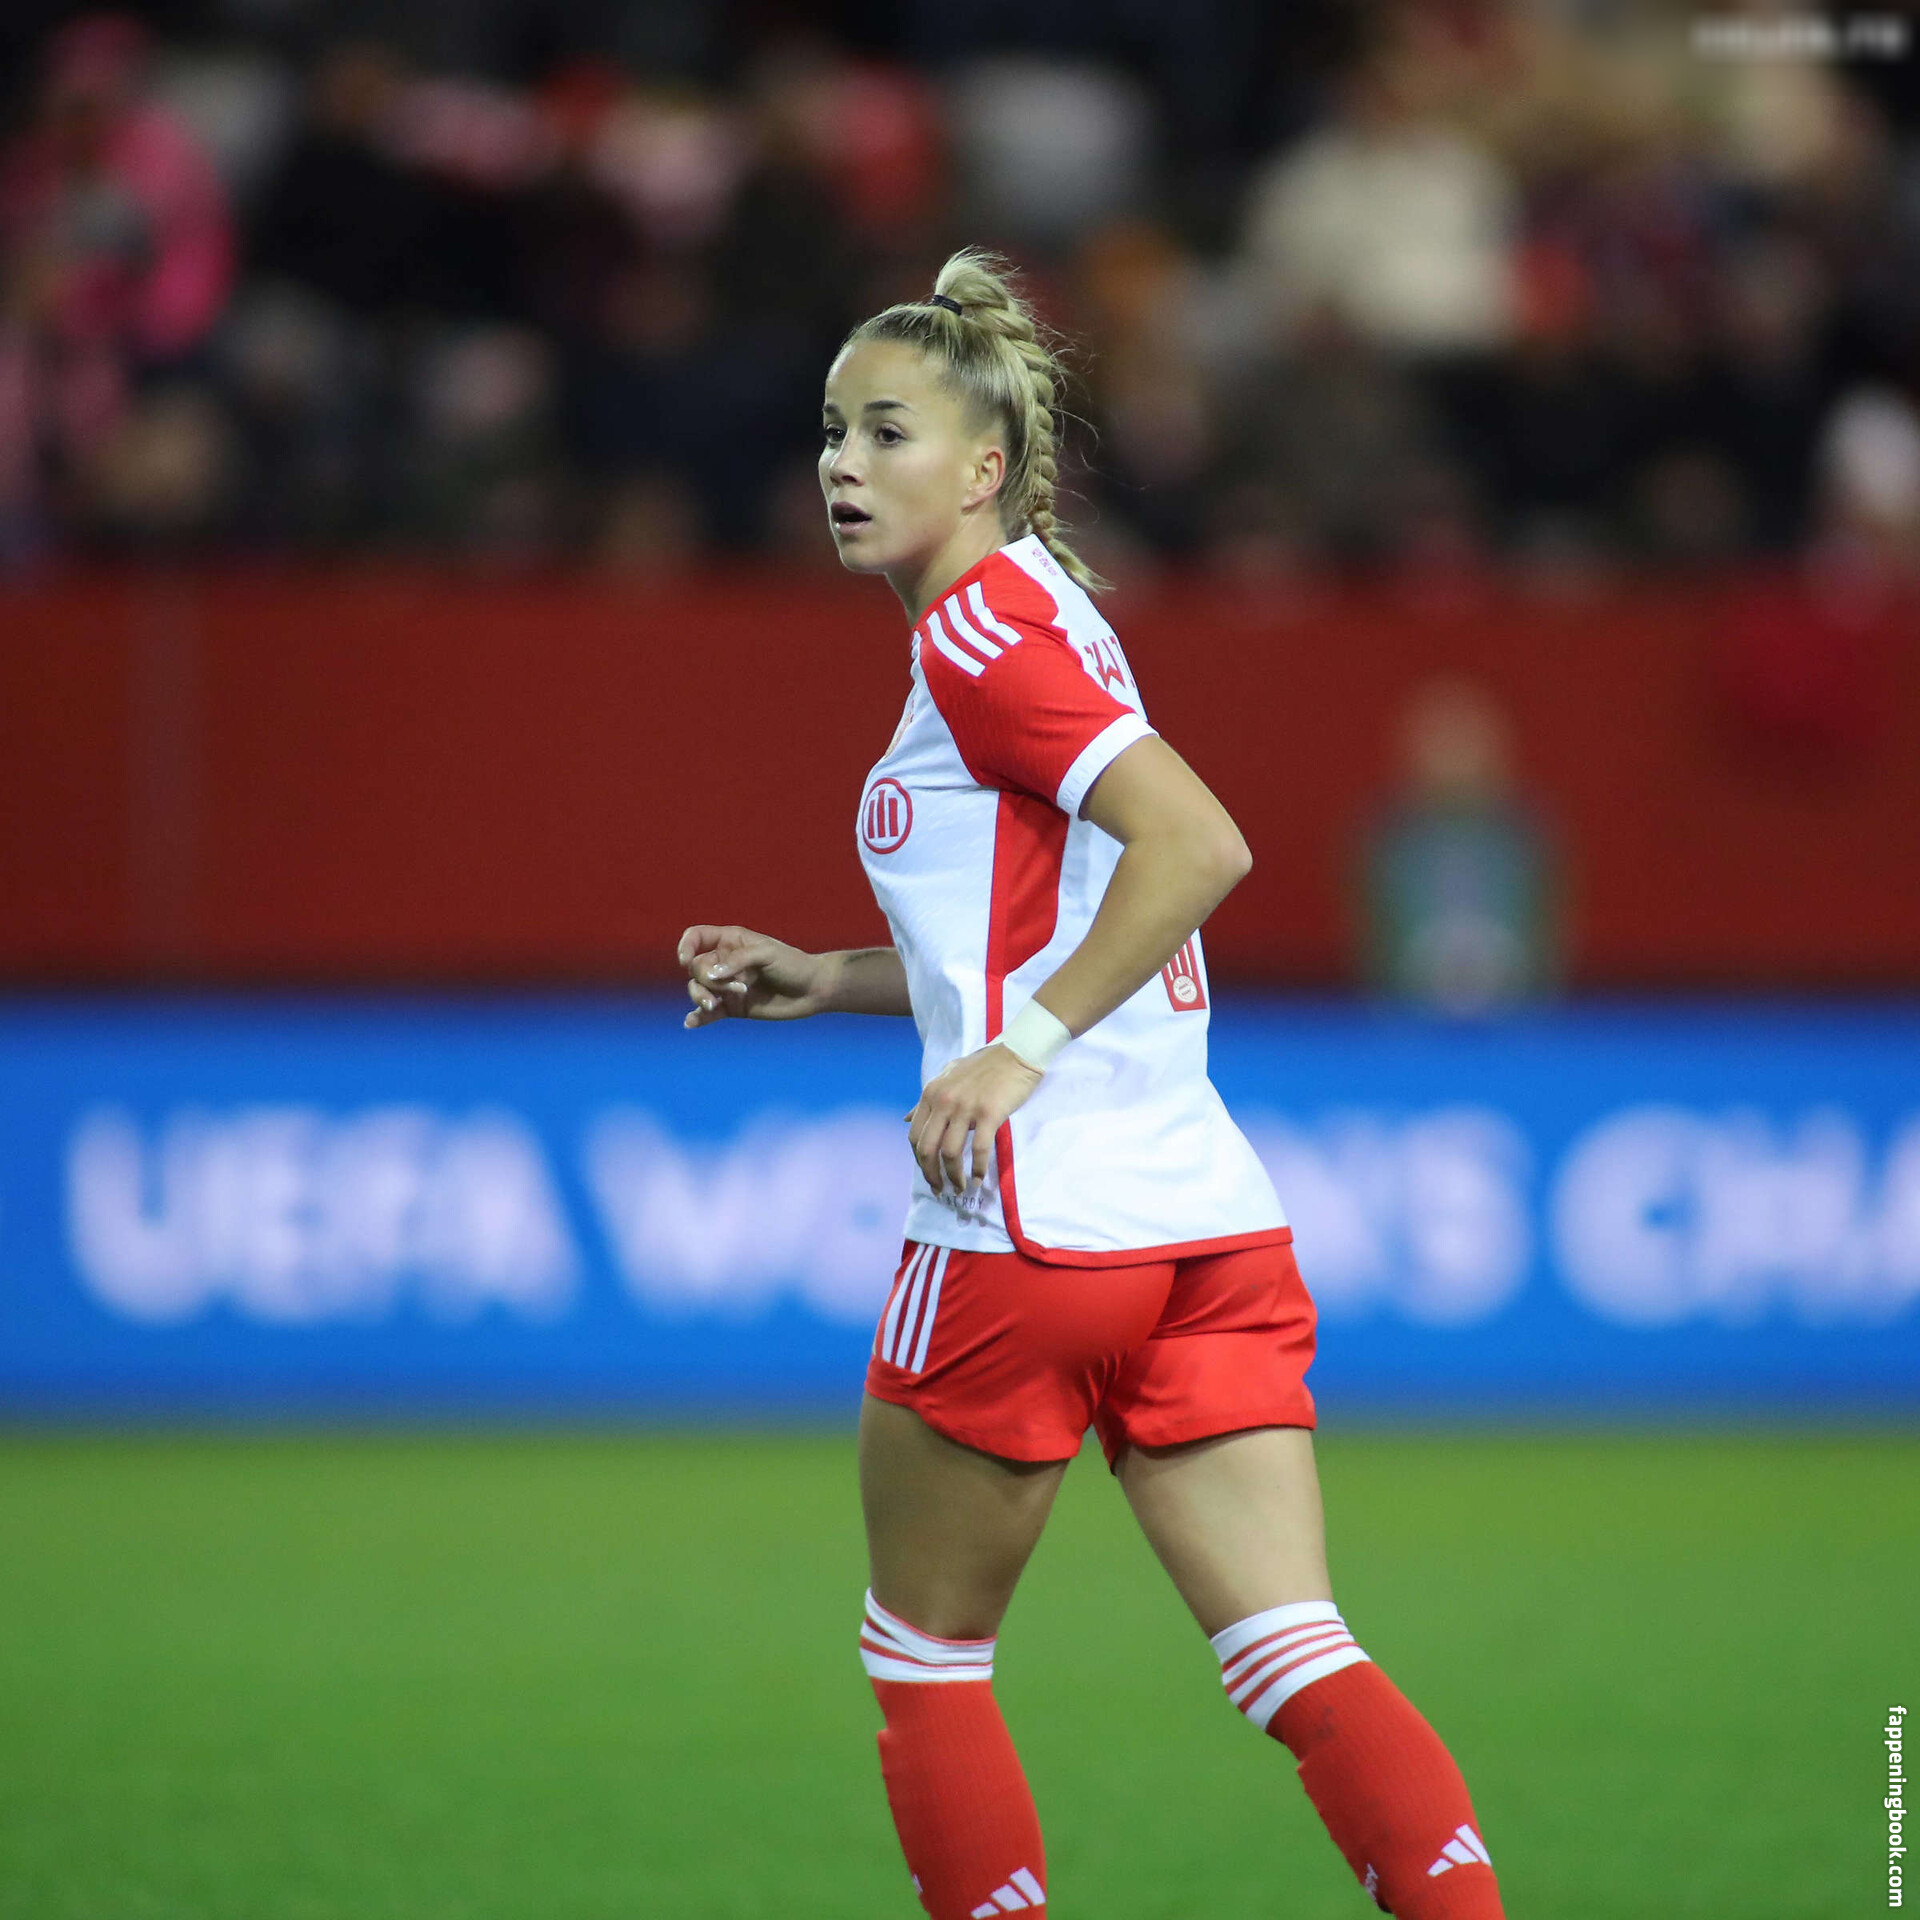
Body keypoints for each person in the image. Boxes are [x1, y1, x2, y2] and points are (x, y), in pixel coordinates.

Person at [677, 249, 1504, 1920]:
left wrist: (1015, 1050)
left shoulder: (982, 638)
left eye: (888, 432)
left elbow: (1200, 846)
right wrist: (832, 977)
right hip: (1203, 1224)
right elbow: (1045, 917)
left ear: (983, 466)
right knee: (1295, 1649)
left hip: (1028, 1232)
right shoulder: (1045, 599)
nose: (843, 465)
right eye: (832, 431)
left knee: (925, 1656)